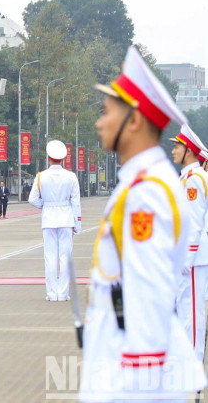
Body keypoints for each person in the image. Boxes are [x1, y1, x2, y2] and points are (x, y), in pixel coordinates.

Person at [80, 46, 206, 399]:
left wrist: (141, 382)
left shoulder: (146, 193)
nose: (99, 122)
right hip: (125, 355)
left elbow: (146, 295)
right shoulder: (145, 183)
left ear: (134, 121)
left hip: (136, 374)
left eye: (107, 113)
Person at [169, 124, 208, 361]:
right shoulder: (188, 178)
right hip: (189, 254)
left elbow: (193, 223)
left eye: (177, 147)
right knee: (185, 309)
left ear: (190, 152)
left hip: (193, 256)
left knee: (192, 312)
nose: (173, 151)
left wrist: (187, 256)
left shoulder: (193, 180)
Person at [28, 141, 81, 301]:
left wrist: (45, 205)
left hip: (49, 219)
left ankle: (51, 293)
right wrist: (77, 224)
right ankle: (63, 294)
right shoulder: (71, 177)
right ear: (63, 159)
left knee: (50, 257)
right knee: (65, 257)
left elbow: (32, 199)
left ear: (49, 158)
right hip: (66, 219)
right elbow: (76, 202)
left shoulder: (41, 176)